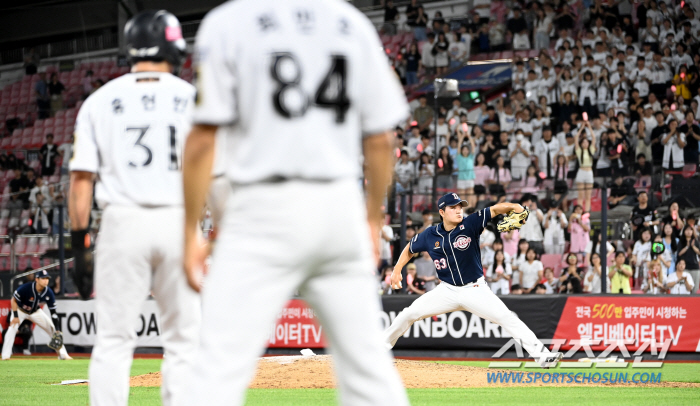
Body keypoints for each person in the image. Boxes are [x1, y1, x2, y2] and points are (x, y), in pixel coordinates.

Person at [181, 2, 411, 405]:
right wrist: (372, 220)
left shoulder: (227, 22)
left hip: (259, 207)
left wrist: (188, 233)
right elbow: (381, 140)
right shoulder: (349, 22)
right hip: (338, 205)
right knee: (369, 372)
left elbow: (202, 142)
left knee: (216, 370)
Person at [69, 11, 200, 406]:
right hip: (179, 221)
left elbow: (81, 181)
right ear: (173, 48)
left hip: (121, 223)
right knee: (184, 341)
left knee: (112, 340)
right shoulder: (193, 98)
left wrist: (79, 246)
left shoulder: (99, 100)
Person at [386, 193, 562, 367]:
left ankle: (542, 356)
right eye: (453, 207)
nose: (458, 210)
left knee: (506, 317)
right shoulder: (430, 234)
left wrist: (514, 207)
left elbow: (494, 209)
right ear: (442, 212)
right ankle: (379, 349)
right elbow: (410, 247)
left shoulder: (470, 223)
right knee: (409, 314)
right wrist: (397, 270)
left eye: (460, 206)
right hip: (446, 290)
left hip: (475, 288)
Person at [1, 270, 71, 360]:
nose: (46, 280)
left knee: (53, 329)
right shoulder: (26, 287)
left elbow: (53, 313)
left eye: (47, 278)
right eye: (43, 278)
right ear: (37, 279)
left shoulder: (49, 292)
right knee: (12, 328)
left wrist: (57, 329)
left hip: (35, 312)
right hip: (20, 310)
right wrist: (15, 316)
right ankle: (5, 355)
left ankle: (63, 355)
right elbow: (13, 300)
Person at [676, 225, 700, 292]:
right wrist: (687, 246)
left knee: (695, 288)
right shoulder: (681, 241)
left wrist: (693, 246)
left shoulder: (695, 241)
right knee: (685, 287)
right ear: (684, 231)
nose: (689, 232)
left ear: (692, 231)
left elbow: (699, 252)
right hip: (684, 267)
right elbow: (679, 253)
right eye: (687, 230)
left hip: (695, 267)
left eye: (690, 230)